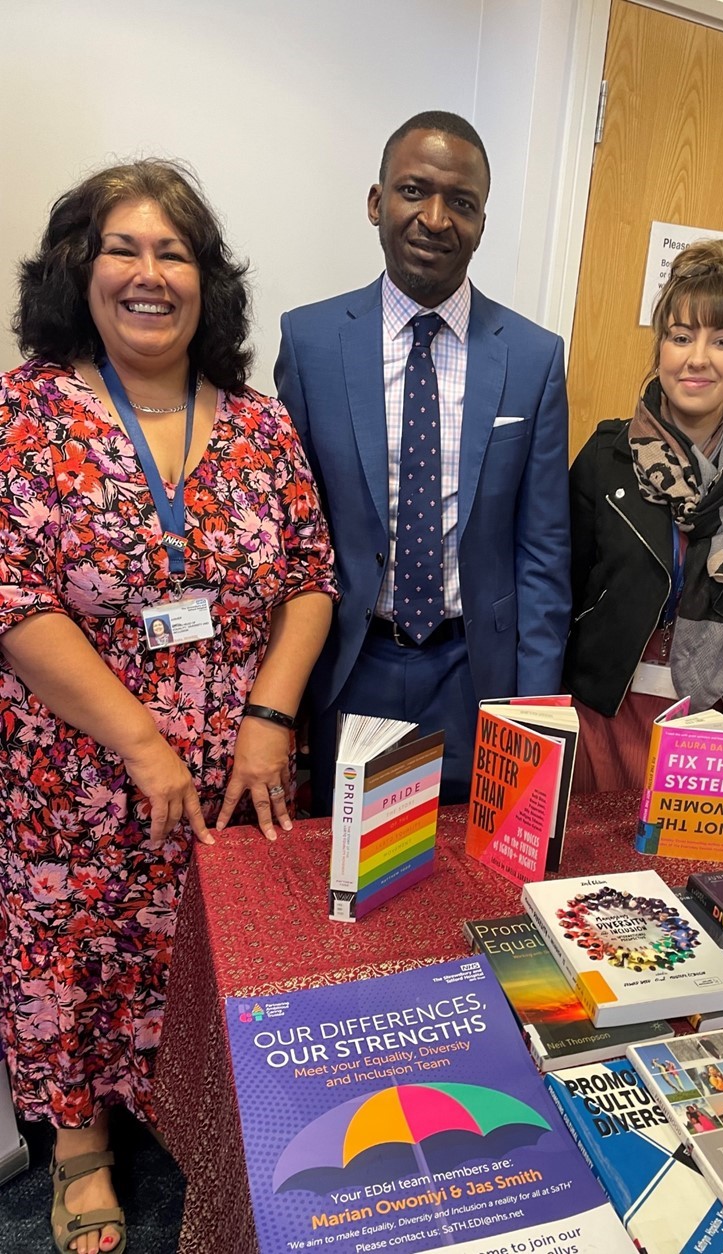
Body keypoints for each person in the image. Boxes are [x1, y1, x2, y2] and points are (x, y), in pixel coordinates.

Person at [0, 159, 336, 1254]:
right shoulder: (24, 412)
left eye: (174, 252)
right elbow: (10, 592)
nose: (149, 274)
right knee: (72, 951)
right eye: (122, 249)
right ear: (77, 271)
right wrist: (142, 742)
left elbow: (310, 579)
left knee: (205, 947)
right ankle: (79, 1147)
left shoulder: (261, 427)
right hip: (78, 780)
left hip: (231, 780)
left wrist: (270, 718)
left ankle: (188, 1112)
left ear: (208, 281)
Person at [276, 110, 570, 810]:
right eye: (414, 191)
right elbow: (292, 539)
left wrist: (531, 712)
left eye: (461, 203)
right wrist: (279, 700)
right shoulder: (310, 342)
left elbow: (543, 553)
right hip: (351, 667)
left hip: (478, 673)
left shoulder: (533, 358)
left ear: (481, 223)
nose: (435, 218)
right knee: (344, 886)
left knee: (471, 887)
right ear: (377, 203)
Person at [564, 239, 723, 789]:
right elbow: (562, 594)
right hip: (601, 718)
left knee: (681, 872)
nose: (697, 357)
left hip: (713, 730)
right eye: (681, 337)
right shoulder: (607, 456)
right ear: (661, 347)